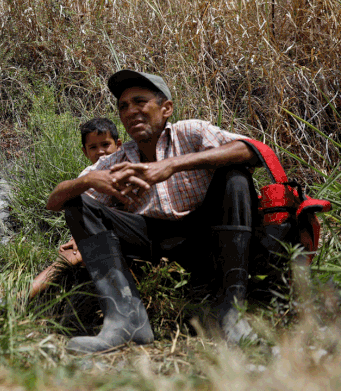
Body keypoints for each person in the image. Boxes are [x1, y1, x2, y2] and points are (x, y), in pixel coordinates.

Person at [46, 70, 260, 354]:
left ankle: (231, 312)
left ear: (166, 108)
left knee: (235, 176)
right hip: (151, 242)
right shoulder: (117, 159)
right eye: (123, 106)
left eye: (140, 101)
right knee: (75, 201)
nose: (131, 110)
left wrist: (172, 165)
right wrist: (86, 181)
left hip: (207, 237)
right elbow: (54, 202)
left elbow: (252, 150)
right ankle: (126, 320)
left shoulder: (191, 132)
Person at [28, 118, 122, 300]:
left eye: (105, 144)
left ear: (118, 145)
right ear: (85, 152)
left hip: (118, 228)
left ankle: (20, 298)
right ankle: (22, 297)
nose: (100, 151)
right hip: (95, 231)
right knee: (69, 256)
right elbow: (82, 209)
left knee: (73, 256)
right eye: (93, 147)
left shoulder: (125, 164)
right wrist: (75, 236)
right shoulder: (86, 176)